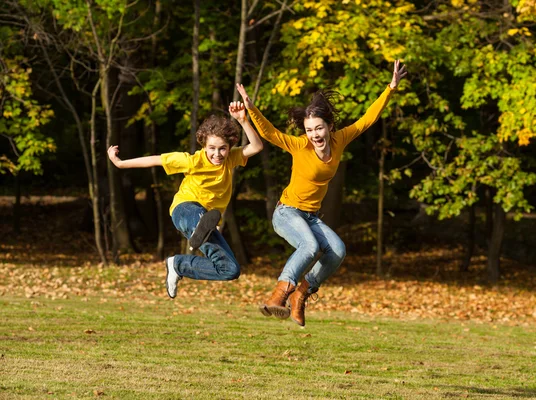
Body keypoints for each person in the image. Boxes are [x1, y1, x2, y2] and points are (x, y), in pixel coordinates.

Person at [236, 61, 407, 326]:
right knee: (311, 246)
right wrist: (251, 108)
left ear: (328, 126)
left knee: (337, 250)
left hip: (310, 216)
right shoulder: (299, 146)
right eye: (309, 129)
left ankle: (301, 294)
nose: (314, 134)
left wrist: (391, 88)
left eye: (318, 128)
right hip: (287, 212)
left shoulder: (339, 140)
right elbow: (269, 133)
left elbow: (367, 120)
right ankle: (279, 295)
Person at [107, 101, 263, 299]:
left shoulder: (231, 158)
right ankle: (201, 225)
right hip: (184, 210)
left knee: (230, 269)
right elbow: (154, 159)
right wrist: (120, 163)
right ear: (204, 145)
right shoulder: (191, 161)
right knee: (199, 214)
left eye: (223, 148)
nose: (217, 154)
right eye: (212, 148)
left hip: (206, 222)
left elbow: (257, 146)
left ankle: (178, 264)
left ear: (229, 146)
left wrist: (243, 120)